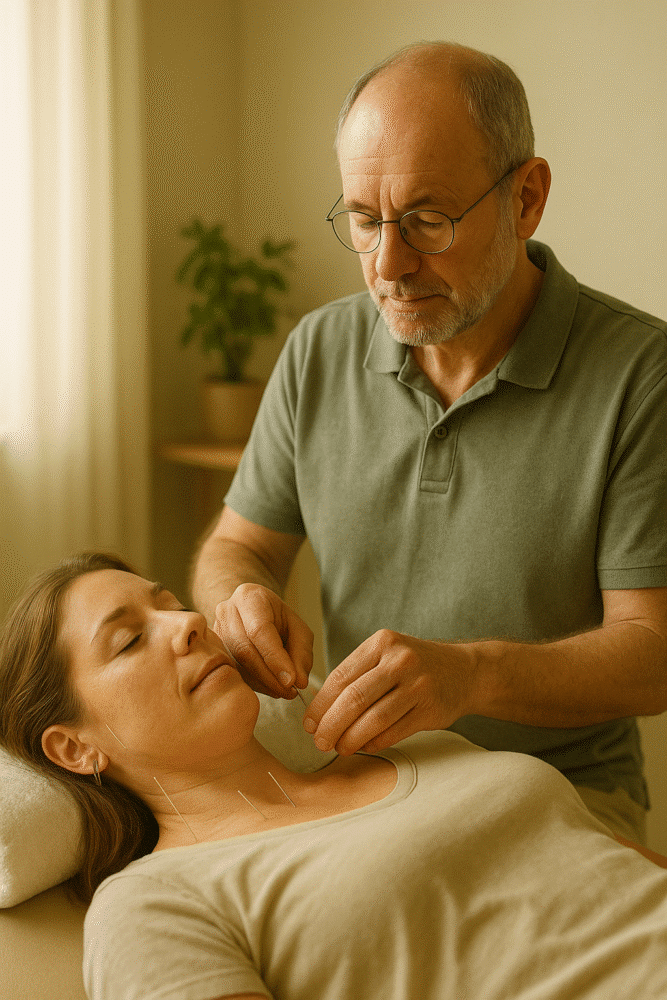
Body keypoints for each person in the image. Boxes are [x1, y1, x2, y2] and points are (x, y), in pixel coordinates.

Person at [191, 41, 667, 845]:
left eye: (426, 220)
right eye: (365, 220)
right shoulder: (317, 349)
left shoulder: (640, 374)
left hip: (561, 800)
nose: (388, 264)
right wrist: (237, 600)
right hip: (360, 786)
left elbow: (652, 654)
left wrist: (471, 674)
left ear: (526, 198)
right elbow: (237, 546)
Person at [2, 551, 667, 1000]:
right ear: (72, 749)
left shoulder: (421, 746)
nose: (187, 625)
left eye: (171, 605)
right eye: (127, 640)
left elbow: (614, 872)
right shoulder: (154, 904)